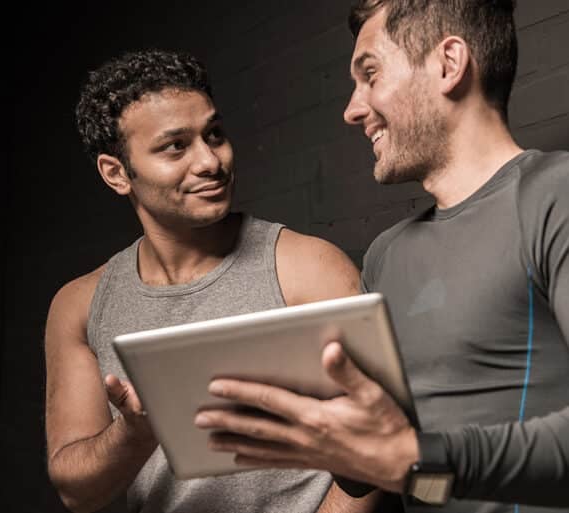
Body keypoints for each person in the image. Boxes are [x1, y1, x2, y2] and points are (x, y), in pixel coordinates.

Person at [193, 1, 569, 511]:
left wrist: (419, 458)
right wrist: (333, 435)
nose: (352, 110)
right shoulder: (386, 255)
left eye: (370, 74)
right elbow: (402, 476)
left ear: (449, 63)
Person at [43, 48, 384, 513]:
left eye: (215, 135)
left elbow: (380, 447)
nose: (210, 161)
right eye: (175, 146)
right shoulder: (80, 305)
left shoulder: (308, 268)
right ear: (117, 173)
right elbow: (76, 491)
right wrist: (136, 432)